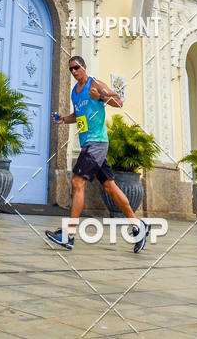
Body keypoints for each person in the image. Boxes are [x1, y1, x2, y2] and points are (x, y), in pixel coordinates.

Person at [45, 55, 151, 253]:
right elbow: (79, 116)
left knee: (77, 182)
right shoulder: (75, 93)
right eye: (71, 69)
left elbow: (118, 102)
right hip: (88, 143)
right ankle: (139, 226)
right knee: (110, 187)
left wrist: (100, 97)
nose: (74, 71)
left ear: (84, 67)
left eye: (77, 67)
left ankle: (68, 235)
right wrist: (63, 120)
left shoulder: (96, 85)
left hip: (97, 143)